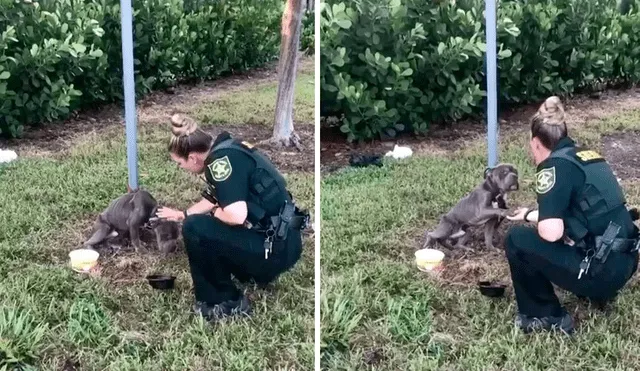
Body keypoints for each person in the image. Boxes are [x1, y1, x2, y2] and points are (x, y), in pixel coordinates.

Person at [505, 96, 639, 335]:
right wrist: (529, 215)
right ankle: (597, 290)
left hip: (601, 274)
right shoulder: (587, 155)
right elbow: (581, 216)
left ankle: (545, 315)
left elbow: (551, 232)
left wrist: (536, 223)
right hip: (626, 264)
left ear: (536, 143)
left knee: (516, 239)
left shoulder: (552, 168)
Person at [156, 114, 310, 321]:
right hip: (285, 243)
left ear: (193, 157)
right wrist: (182, 214)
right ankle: (249, 272)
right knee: (198, 222)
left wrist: (213, 214)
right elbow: (214, 197)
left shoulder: (220, 164)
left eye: (179, 163)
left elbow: (236, 216)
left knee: (195, 228)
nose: (180, 168)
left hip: (274, 254)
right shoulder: (229, 149)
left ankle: (223, 302)